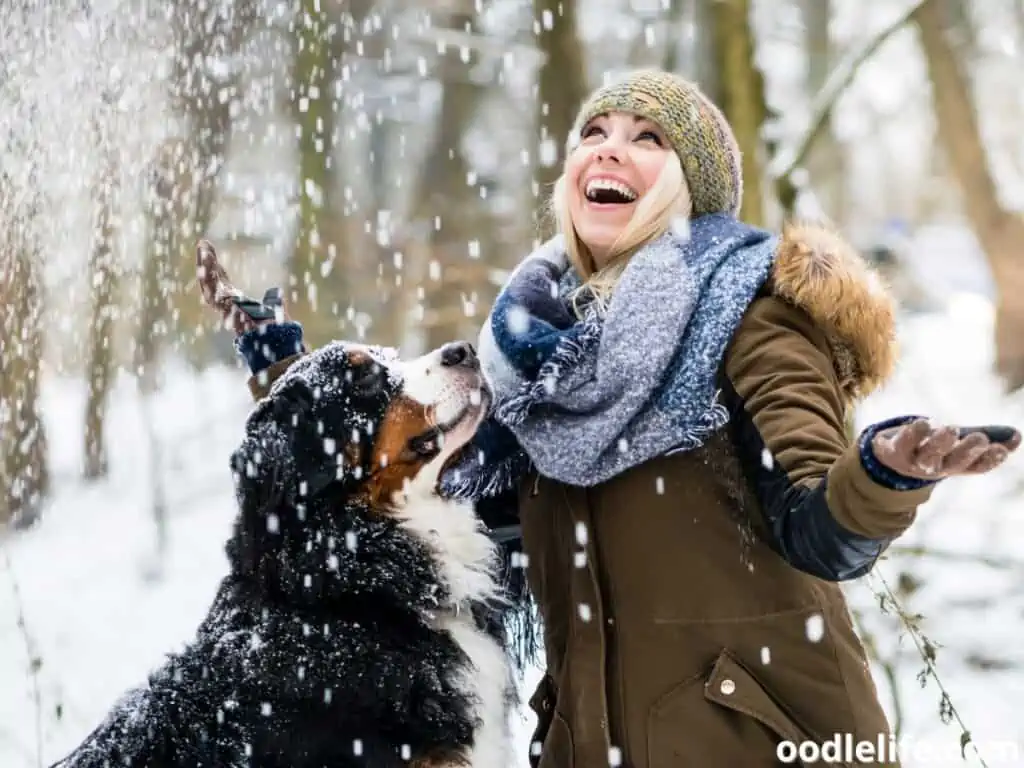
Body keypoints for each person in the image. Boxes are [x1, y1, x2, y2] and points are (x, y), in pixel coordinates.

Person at [198, 69, 1020, 767]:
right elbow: (426, 472)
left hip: (763, 739)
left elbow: (821, 529)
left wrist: (883, 473)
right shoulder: (533, 359)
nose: (609, 145)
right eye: (594, 130)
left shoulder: (752, 315)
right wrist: (286, 375)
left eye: (648, 137)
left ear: (689, 187)